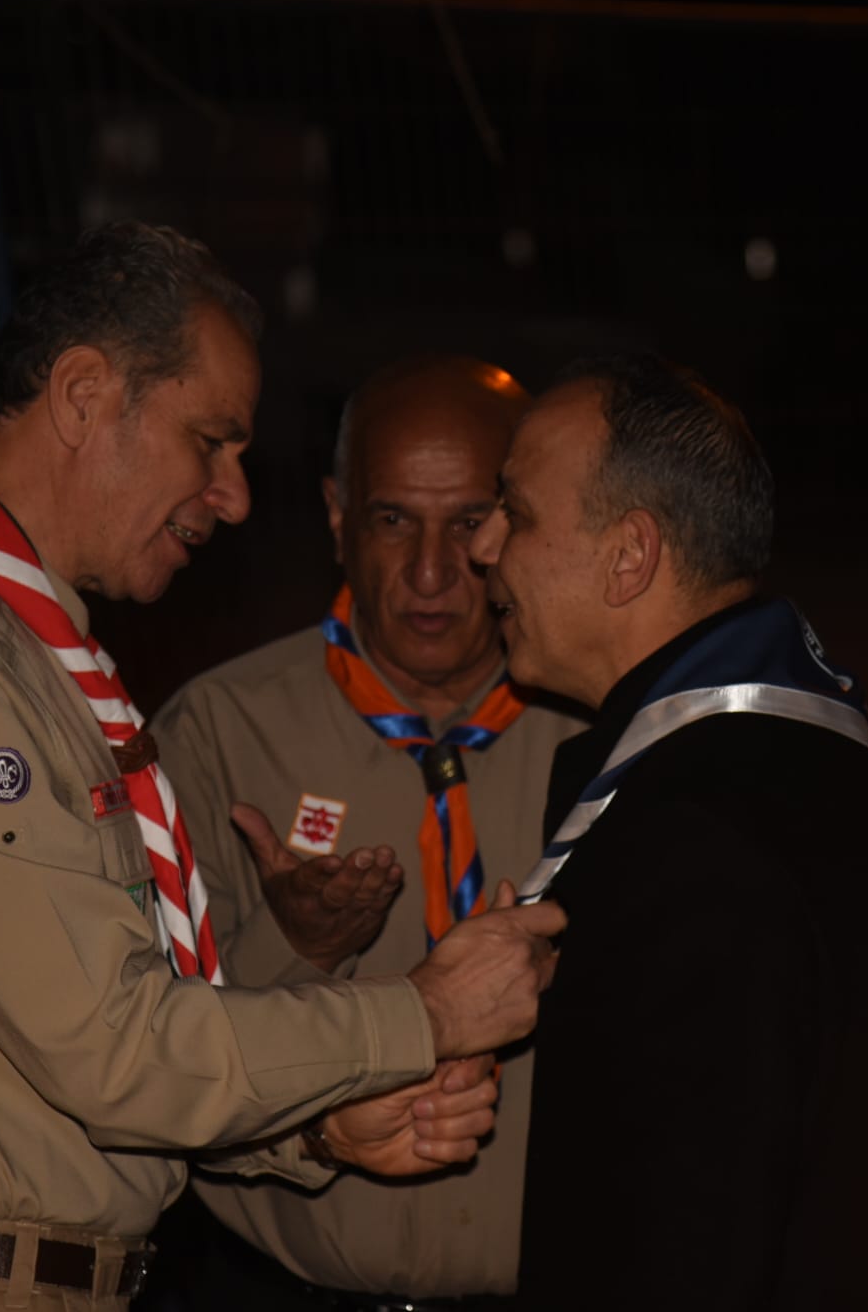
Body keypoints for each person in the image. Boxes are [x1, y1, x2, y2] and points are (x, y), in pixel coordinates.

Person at [0, 224, 564, 1312]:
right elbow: (113, 1047)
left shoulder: (23, 650)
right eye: (209, 440)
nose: (233, 496)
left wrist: (315, 1128)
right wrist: (424, 1013)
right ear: (84, 395)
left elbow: (87, 1051)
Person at [466, 353, 868, 1310]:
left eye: (514, 512)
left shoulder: (690, 829)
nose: (484, 545)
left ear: (630, 555)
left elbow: (681, 1238)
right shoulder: (859, 764)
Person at [152, 356, 587, 1307]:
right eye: (393, 519)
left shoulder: (598, 737)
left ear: (517, 525)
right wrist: (295, 944)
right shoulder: (218, 735)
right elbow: (148, 1056)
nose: (431, 573)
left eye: (469, 523)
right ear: (337, 517)